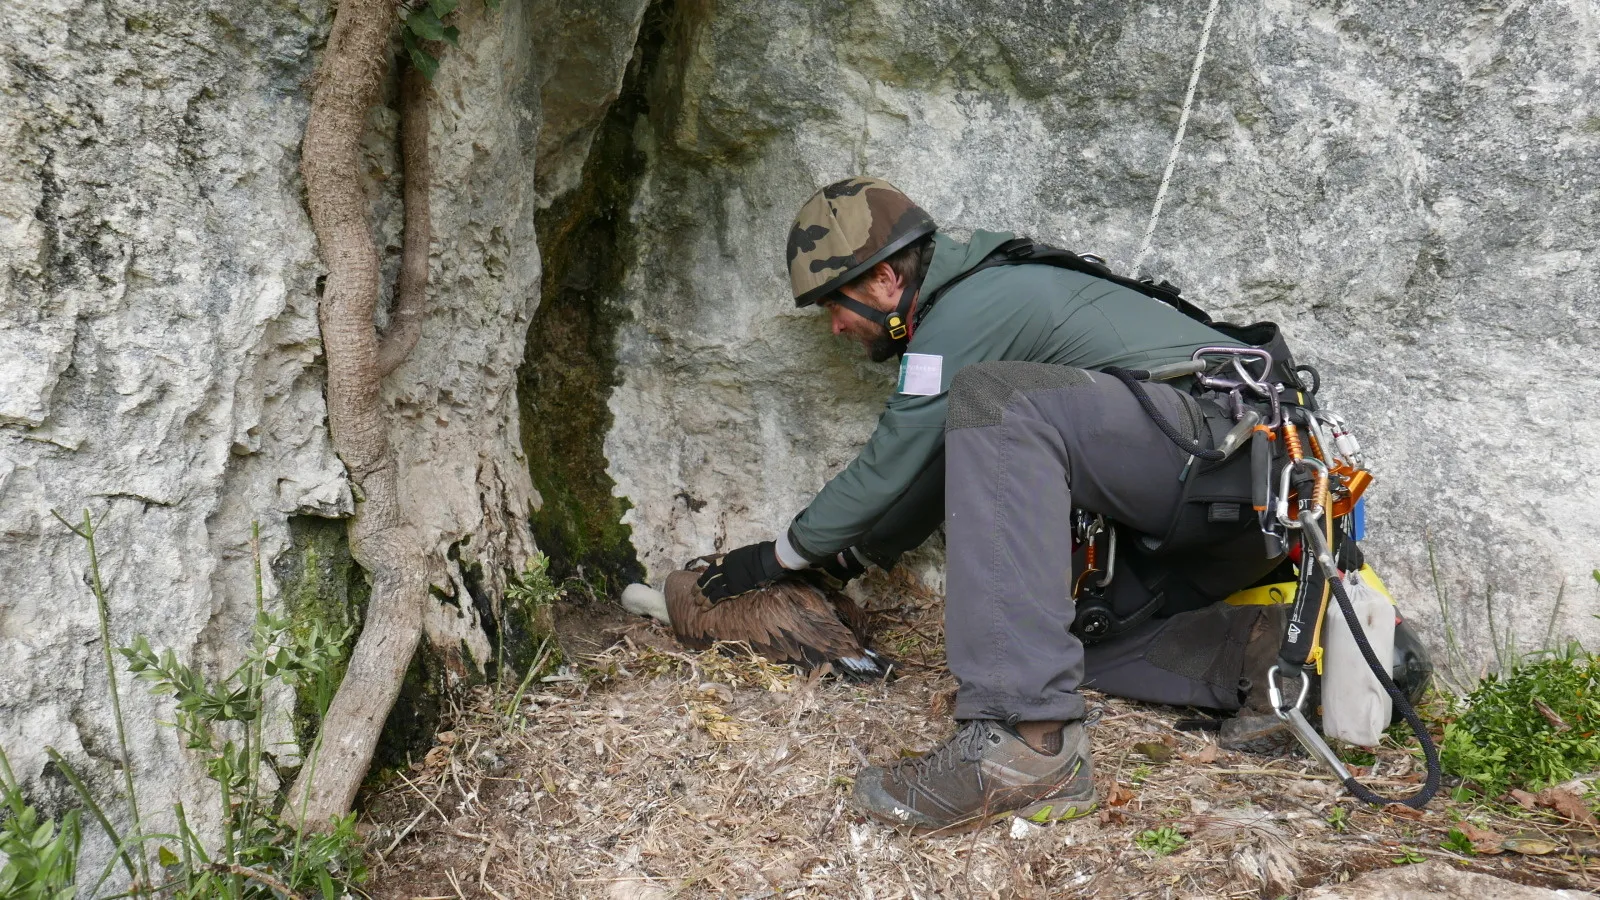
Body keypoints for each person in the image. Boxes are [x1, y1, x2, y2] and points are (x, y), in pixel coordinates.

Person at [693, 177, 1300, 834]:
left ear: (887, 279)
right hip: (1225, 486)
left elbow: (893, 458)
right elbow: (931, 466)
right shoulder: (972, 307)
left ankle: (1027, 746)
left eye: (834, 306)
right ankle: (1274, 658)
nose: (835, 326)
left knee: (993, 401)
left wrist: (774, 558)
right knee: (1051, 647)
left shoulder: (970, 308)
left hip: (1233, 447)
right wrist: (846, 560)